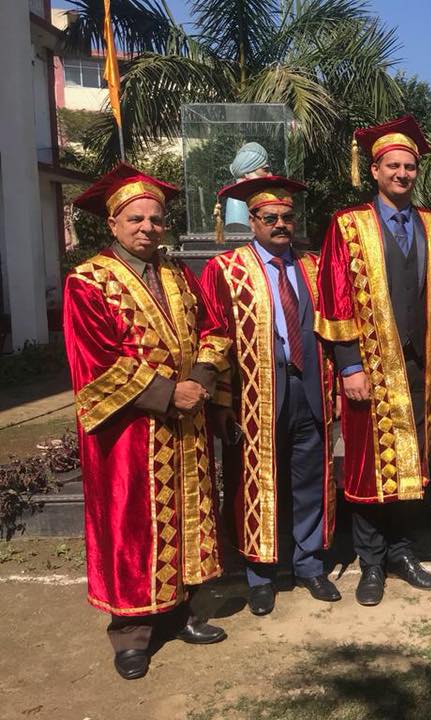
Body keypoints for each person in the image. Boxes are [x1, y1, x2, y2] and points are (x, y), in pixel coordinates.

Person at [63, 163, 231, 680]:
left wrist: (199, 379)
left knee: (188, 515)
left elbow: (214, 329)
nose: (147, 228)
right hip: (130, 433)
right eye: (135, 218)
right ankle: (131, 634)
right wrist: (167, 393)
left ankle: (184, 614)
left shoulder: (178, 274)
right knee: (131, 527)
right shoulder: (88, 281)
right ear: (112, 223)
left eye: (155, 219)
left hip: (186, 425)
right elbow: (95, 362)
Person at [315, 115, 431, 606]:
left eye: (410, 166)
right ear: (375, 170)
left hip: (422, 365)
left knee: (414, 461)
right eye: (393, 166)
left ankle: (403, 553)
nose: (402, 173)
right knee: (368, 466)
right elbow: (335, 295)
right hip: (370, 367)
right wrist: (349, 365)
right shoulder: (348, 225)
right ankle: (371, 562)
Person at [201, 175, 338, 616]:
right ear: (252, 221)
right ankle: (260, 574)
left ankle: (308, 563)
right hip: (254, 396)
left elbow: (332, 329)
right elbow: (215, 336)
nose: (280, 224)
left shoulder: (314, 267)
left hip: (309, 388)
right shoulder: (227, 269)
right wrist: (222, 402)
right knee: (255, 483)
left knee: (309, 477)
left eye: (287, 217)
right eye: (270, 217)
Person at [223, 142, 271, 232]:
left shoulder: (251, 199)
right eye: (265, 170)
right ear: (247, 173)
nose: (270, 175)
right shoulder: (237, 201)